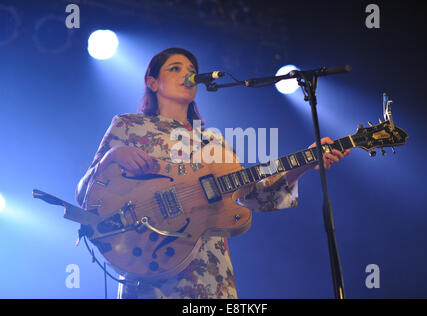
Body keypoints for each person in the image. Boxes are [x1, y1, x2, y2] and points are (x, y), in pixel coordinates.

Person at [75, 47, 349, 299]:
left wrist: (304, 162)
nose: (187, 73)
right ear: (152, 82)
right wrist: (111, 157)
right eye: (175, 68)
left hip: (208, 274)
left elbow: (255, 197)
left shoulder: (214, 142)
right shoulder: (128, 126)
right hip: (148, 264)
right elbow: (84, 194)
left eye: (191, 69)